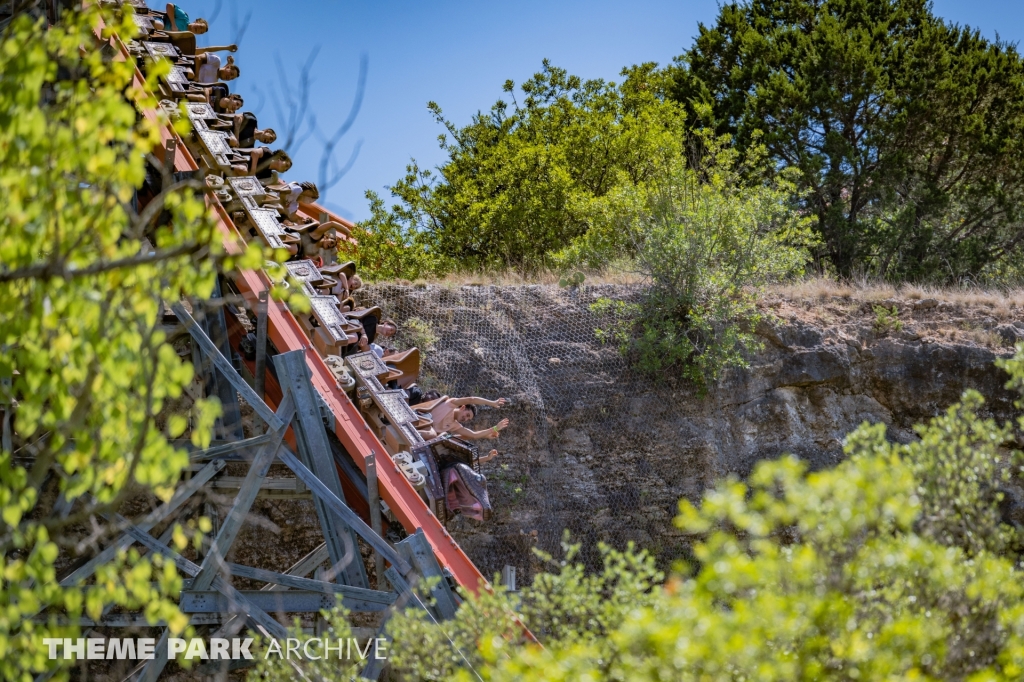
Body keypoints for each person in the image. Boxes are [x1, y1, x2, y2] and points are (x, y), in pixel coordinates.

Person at [415, 396, 510, 442]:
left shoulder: (455, 425)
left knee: (442, 437)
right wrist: (492, 403)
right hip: (419, 419)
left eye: (469, 419)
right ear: (463, 407)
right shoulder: (451, 404)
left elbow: (473, 435)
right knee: (432, 434)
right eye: (467, 415)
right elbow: (471, 399)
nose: (466, 419)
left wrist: (495, 428)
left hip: (424, 437)